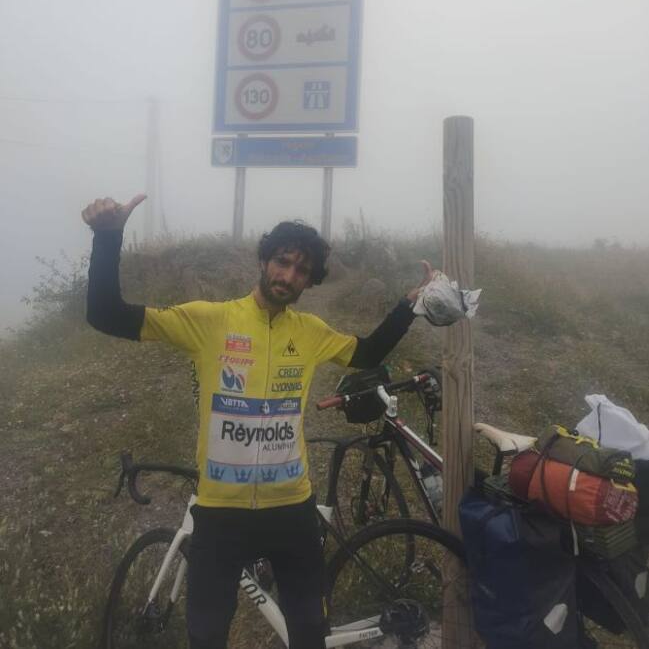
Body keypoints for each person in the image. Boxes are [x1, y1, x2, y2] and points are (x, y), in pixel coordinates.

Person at [82, 194, 432, 649]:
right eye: (282, 262)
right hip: (221, 514)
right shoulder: (209, 321)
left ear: (310, 280)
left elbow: (366, 352)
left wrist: (408, 306)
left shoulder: (309, 331)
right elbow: (105, 314)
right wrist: (108, 238)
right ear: (265, 260)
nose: (288, 276)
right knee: (206, 637)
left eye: (301, 270)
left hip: (292, 510)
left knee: (309, 634)